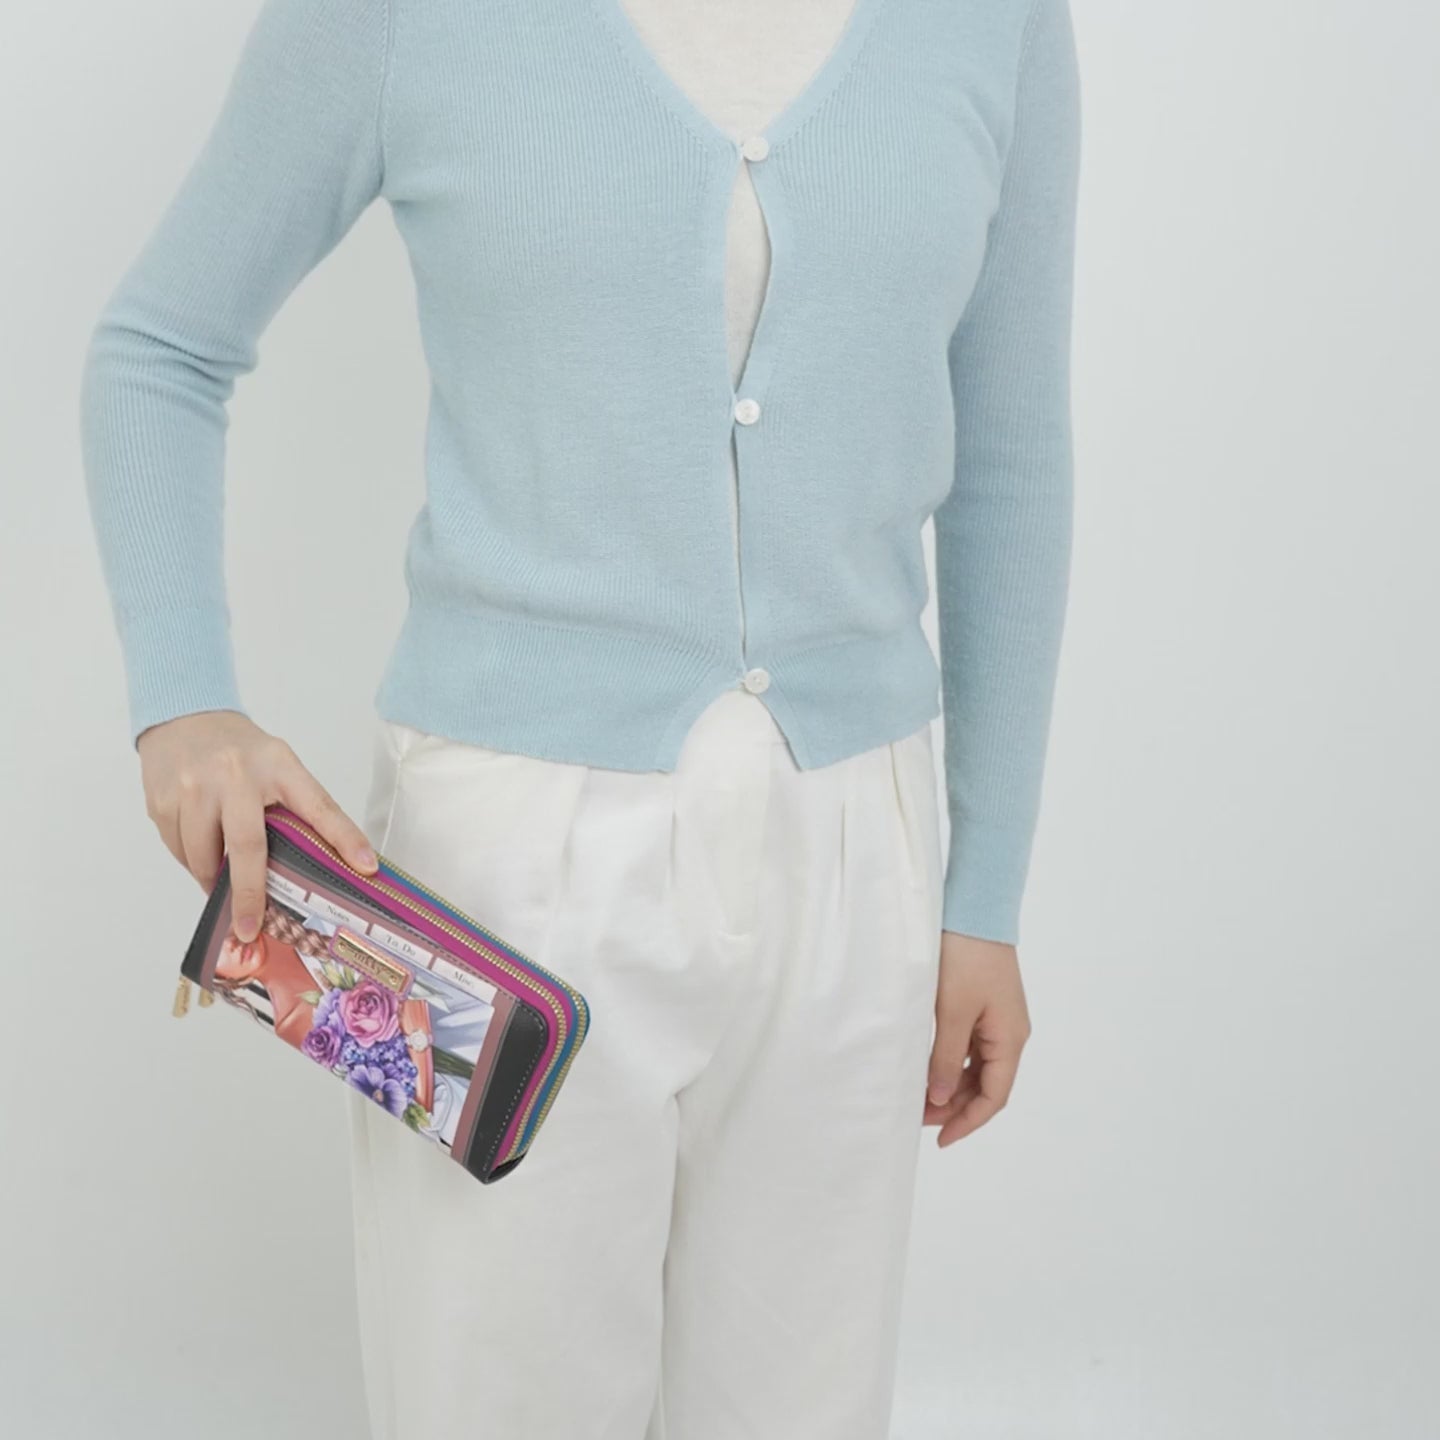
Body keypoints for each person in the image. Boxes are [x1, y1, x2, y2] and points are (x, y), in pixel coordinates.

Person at [78, 0, 1081, 1434]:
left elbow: (1013, 453)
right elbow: (160, 347)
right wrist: (184, 704)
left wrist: (983, 896)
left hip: (861, 855)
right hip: (495, 876)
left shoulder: (995, 25)